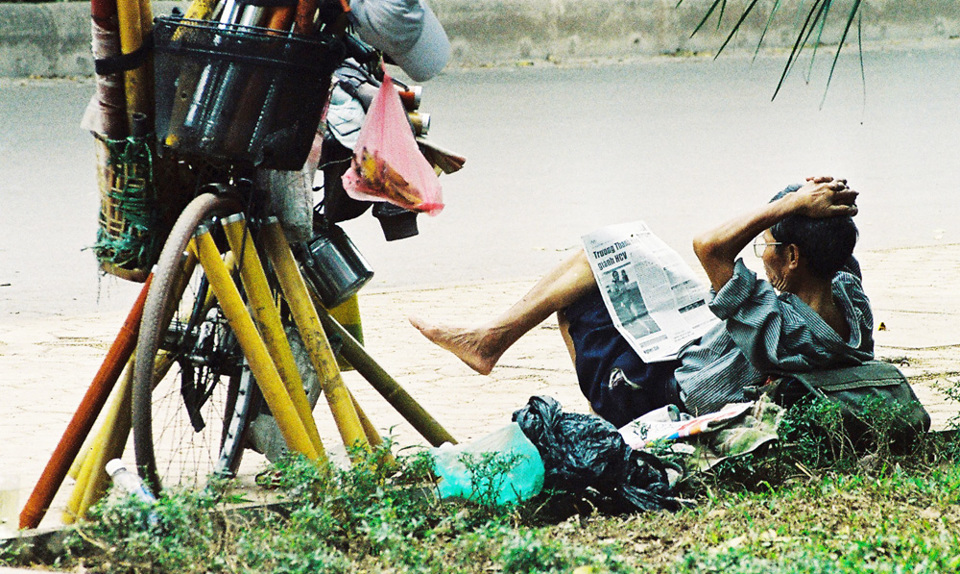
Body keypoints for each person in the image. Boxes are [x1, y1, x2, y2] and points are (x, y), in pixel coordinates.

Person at [409, 176, 874, 427]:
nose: (764, 257)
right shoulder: (848, 299)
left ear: (792, 257)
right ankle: (491, 341)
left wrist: (785, 208)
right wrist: (804, 199)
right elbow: (831, 242)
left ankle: (497, 348)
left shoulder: (779, 327)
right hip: (699, 350)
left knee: (577, 301)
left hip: (670, 395)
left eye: (768, 248)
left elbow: (708, 245)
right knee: (615, 248)